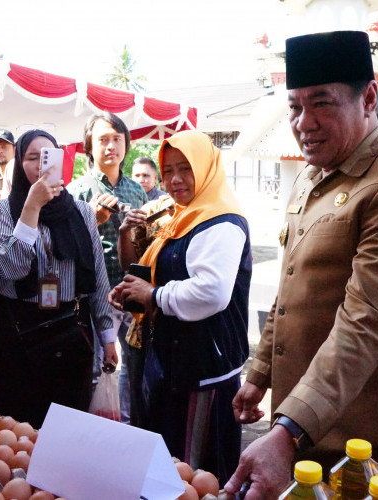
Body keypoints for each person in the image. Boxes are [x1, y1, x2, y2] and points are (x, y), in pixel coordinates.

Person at [225, 31, 378, 498]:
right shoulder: (312, 176)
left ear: (369, 98)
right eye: (294, 107)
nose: (304, 122)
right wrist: (261, 371)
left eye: (322, 103)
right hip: (304, 418)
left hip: (365, 439)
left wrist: (287, 432)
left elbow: (365, 322)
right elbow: (293, 287)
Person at [109, 130, 251, 485]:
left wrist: (154, 296)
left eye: (185, 168)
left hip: (203, 370)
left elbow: (211, 293)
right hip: (174, 362)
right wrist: (135, 292)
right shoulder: (183, 216)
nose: (174, 179)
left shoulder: (221, 221)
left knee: (197, 473)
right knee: (171, 469)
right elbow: (158, 270)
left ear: (205, 168)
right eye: (168, 169)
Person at [0, 129, 118, 428]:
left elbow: (97, 276)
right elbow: (9, 270)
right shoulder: (3, 211)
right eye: (32, 158)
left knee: (69, 421)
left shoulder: (81, 211)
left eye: (48, 157)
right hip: (22, 331)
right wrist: (31, 208)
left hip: (72, 328)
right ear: (19, 165)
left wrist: (107, 335)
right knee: (23, 424)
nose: (40, 166)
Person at [67, 112, 148, 424]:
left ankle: (128, 424)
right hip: (96, 295)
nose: (111, 146)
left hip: (131, 288)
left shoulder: (136, 191)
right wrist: (94, 220)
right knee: (101, 367)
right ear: (89, 145)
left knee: (132, 367)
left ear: (126, 144)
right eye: (103, 139)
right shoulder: (77, 191)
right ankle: (98, 427)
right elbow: (69, 251)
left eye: (117, 138)